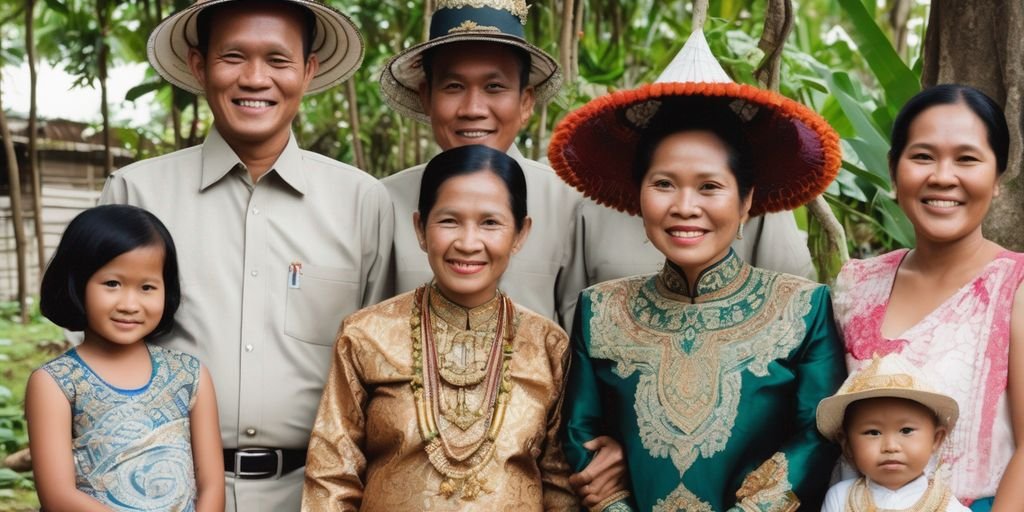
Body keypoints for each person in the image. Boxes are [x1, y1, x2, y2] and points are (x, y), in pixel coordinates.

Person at [101, 1, 391, 510]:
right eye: (233, 56)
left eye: (278, 60)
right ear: (198, 66)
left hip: (313, 493)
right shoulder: (136, 193)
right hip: (164, 488)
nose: (255, 79)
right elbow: (99, 353)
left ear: (308, 70)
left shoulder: (362, 202)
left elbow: (380, 366)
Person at [548, 30, 847, 511]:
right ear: (638, 194)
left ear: (747, 201)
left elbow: (817, 434)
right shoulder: (599, 309)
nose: (685, 207)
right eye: (664, 184)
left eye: (709, 187)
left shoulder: (803, 308)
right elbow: (582, 432)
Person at [302, 145, 577, 511]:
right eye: (449, 221)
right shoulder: (367, 335)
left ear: (520, 234)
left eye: (490, 223)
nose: (467, 242)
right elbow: (331, 478)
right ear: (420, 228)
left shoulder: (547, 345)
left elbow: (560, 487)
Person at [832, 84, 1024, 511]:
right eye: (922, 156)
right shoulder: (855, 285)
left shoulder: (1016, 285)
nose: (942, 175)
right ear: (894, 169)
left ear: (997, 177)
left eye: (967, 159)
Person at [379, 0, 585, 329]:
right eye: (454, 86)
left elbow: (579, 333)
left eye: (494, 87)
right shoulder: (383, 202)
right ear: (426, 97)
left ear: (525, 101)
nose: (473, 108)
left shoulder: (568, 203)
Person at [26, 204, 223, 512]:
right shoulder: (55, 382)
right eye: (112, 284)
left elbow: (211, 483)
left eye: (147, 287)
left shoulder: (190, 374)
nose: (130, 304)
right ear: (77, 283)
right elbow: (58, 497)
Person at [816, 353, 969, 511]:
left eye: (906, 430)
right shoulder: (840, 498)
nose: (890, 446)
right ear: (847, 444)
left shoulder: (948, 507)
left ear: (936, 439)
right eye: (873, 432)